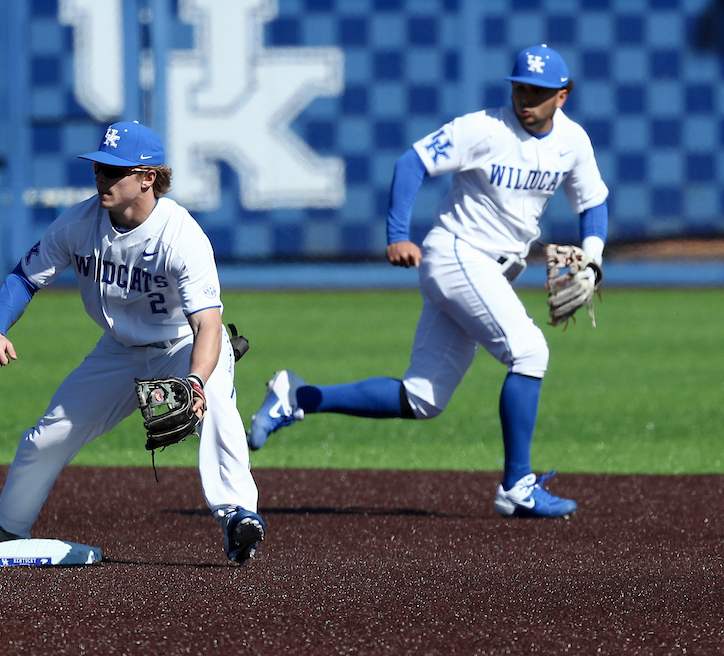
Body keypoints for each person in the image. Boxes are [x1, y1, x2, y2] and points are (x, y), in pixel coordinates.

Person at [248, 44, 609, 519]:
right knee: (530, 351)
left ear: (563, 95)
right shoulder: (483, 128)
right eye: (520, 86)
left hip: (493, 269)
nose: (527, 98)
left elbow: (592, 202)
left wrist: (595, 257)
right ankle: (517, 484)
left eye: (539, 91)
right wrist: (398, 234)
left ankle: (296, 396)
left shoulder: (573, 142)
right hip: (459, 254)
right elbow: (411, 162)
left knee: (422, 398)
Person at [0, 121, 265, 565]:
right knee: (47, 436)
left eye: (114, 171)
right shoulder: (78, 223)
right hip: (117, 350)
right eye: (98, 168)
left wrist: (194, 379)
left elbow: (208, 326)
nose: (101, 178)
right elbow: (24, 277)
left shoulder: (181, 236)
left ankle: (237, 515)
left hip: (180, 345)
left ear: (148, 177)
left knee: (213, 407)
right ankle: (6, 530)